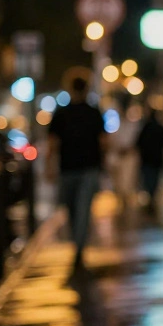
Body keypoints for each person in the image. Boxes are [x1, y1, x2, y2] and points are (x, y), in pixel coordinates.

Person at [47, 74, 106, 272]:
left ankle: (78, 246)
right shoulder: (93, 112)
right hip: (88, 168)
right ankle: (78, 245)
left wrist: (50, 166)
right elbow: (103, 142)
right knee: (81, 209)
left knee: (73, 209)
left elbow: (52, 144)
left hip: (69, 169)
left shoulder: (62, 113)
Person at [136, 106, 163, 214]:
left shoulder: (145, 128)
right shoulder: (160, 128)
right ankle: (152, 196)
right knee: (155, 179)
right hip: (156, 159)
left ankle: (151, 197)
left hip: (147, 160)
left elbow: (138, 143)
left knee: (148, 179)